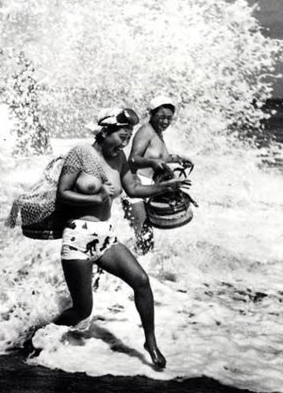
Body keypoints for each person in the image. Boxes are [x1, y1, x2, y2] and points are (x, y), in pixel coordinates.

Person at [54, 106, 191, 369]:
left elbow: (134, 188)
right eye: (121, 136)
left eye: (128, 137)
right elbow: (63, 193)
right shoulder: (80, 154)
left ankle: (150, 342)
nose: (125, 142)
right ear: (105, 132)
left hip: (106, 237)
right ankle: (45, 332)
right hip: (78, 239)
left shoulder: (119, 159)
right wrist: (95, 197)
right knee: (82, 311)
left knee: (141, 281)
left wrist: (163, 187)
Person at [123, 96, 193, 254]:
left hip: (150, 187)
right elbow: (133, 159)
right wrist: (151, 163)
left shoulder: (158, 133)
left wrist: (179, 159)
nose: (165, 122)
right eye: (161, 117)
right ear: (151, 114)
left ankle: (130, 259)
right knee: (144, 238)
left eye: (169, 118)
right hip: (135, 187)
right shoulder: (146, 131)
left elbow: (161, 158)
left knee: (145, 238)